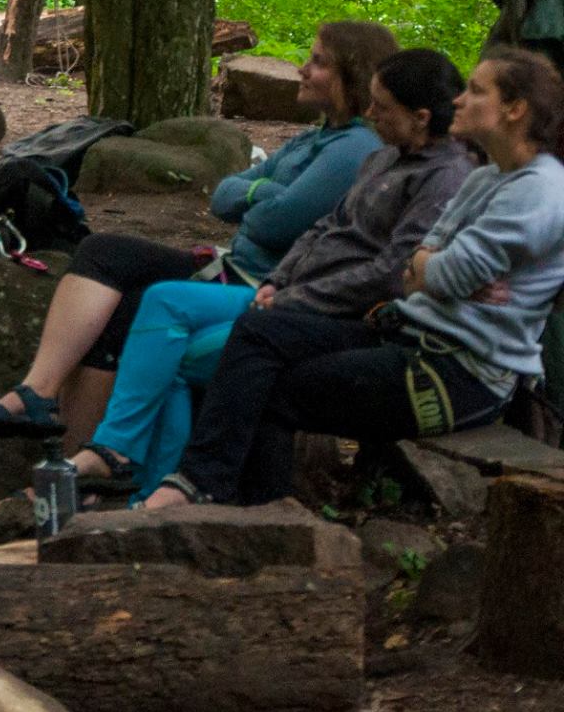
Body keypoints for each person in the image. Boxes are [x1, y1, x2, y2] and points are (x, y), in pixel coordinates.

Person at [151, 48, 564, 508]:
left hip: (458, 374)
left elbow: (440, 270)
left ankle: (239, 509)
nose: (460, 100)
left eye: (476, 90)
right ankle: (204, 488)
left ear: (515, 108)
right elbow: (424, 262)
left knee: (273, 391)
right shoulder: (488, 178)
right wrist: (432, 267)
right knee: (259, 332)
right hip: (410, 335)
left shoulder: (538, 190)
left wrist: (432, 268)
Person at [0, 20, 399, 441]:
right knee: (104, 253)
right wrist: (265, 190)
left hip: (258, 284)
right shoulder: (315, 140)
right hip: (233, 265)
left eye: (319, 62)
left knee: (125, 295)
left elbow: (273, 224)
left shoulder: (352, 149)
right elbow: (222, 194)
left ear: (352, 76)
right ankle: (49, 414)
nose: (303, 69)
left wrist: (256, 191)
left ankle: (79, 449)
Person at [68, 49, 472, 497]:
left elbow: (389, 273)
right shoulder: (382, 159)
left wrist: (293, 299)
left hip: (336, 313)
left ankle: (154, 491)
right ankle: (114, 448)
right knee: (163, 298)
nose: (371, 112)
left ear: (419, 117)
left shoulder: (445, 178)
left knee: (182, 360)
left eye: (382, 106)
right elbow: (323, 227)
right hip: (286, 292)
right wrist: (278, 280)